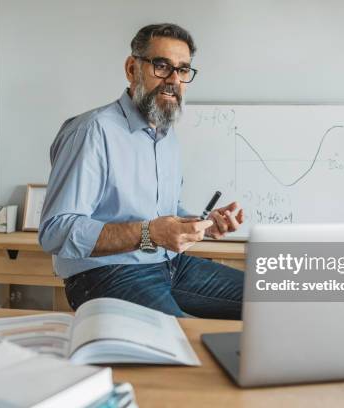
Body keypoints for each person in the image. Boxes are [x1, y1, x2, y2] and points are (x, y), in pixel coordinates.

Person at [38, 23, 244, 319]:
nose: (173, 79)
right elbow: (55, 232)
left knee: (273, 298)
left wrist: (204, 225)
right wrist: (151, 233)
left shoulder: (166, 135)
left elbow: (164, 212)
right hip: (105, 273)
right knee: (181, 340)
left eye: (183, 70)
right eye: (161, 66)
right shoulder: (92, 131)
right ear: (132, 68)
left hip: (171, 265)